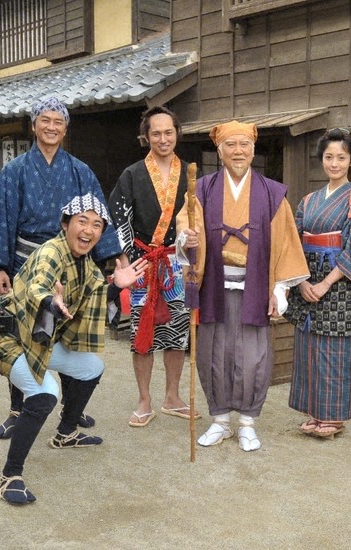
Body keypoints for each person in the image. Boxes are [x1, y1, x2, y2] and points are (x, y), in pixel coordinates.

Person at [0, 193, 148, 505]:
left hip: (39, 342)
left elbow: (96, 296)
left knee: (92, 367)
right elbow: (39, 283)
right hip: (9, 338)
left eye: (97, 225)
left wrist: (117, 286)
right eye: (82, 221)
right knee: (45, 393)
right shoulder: (50, 252)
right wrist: (48, 300)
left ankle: (66, 432)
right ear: (65, 224)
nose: (89, 230)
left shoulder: (88, 267)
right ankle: (8, 476)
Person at [0, 96, 122, 439]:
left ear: (65, 129)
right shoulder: (15, 171)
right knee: (21, 336)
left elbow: (96, 222)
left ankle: (71, 408)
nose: (51, 127)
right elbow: (0, 218)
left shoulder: (80, 171)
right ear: (34, 125)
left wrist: (106, 261)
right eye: (45, 120)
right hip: (27, 262)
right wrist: (0, 267)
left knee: (69, 336)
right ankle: (17, 409)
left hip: (71, 265)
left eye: (58, 122)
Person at [176, 121, 309, 451]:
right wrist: (187, 238)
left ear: (253, 148)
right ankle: (220, 420)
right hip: (214, 285)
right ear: (219, 151)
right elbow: (185, 226)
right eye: (230, 145)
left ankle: (248, 421)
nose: (238, 151)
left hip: (255, 287)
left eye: (244, 145)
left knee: (253, 357)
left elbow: (285, 243)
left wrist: (279, 290)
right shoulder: (203, 190)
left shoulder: (271, 193)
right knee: (213, 354)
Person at [108, 106, 200, 428]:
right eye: (156, 133)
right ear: (146, 136)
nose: (163, 138)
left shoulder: (189, 173)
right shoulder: (132, 175)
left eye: (169, 132)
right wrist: (124, 265)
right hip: (143, 262)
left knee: (176, 333)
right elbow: (117, 220)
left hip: (178, 263)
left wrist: (193, 240)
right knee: (142, 334)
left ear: (177, 134)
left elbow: (198, 215)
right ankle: (144, 399)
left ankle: (172, 397)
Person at [283, 128, 351, 439]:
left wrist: (326, 282)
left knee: (334, 351)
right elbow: (292, 242)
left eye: (341, 157)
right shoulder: (308, 200)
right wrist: (302, 280)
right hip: (307, 277)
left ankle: (333, 417)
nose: (334, 163)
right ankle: (314, 412)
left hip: (338, 284)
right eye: (328, 157)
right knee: (309, 347)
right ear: (321, 160)